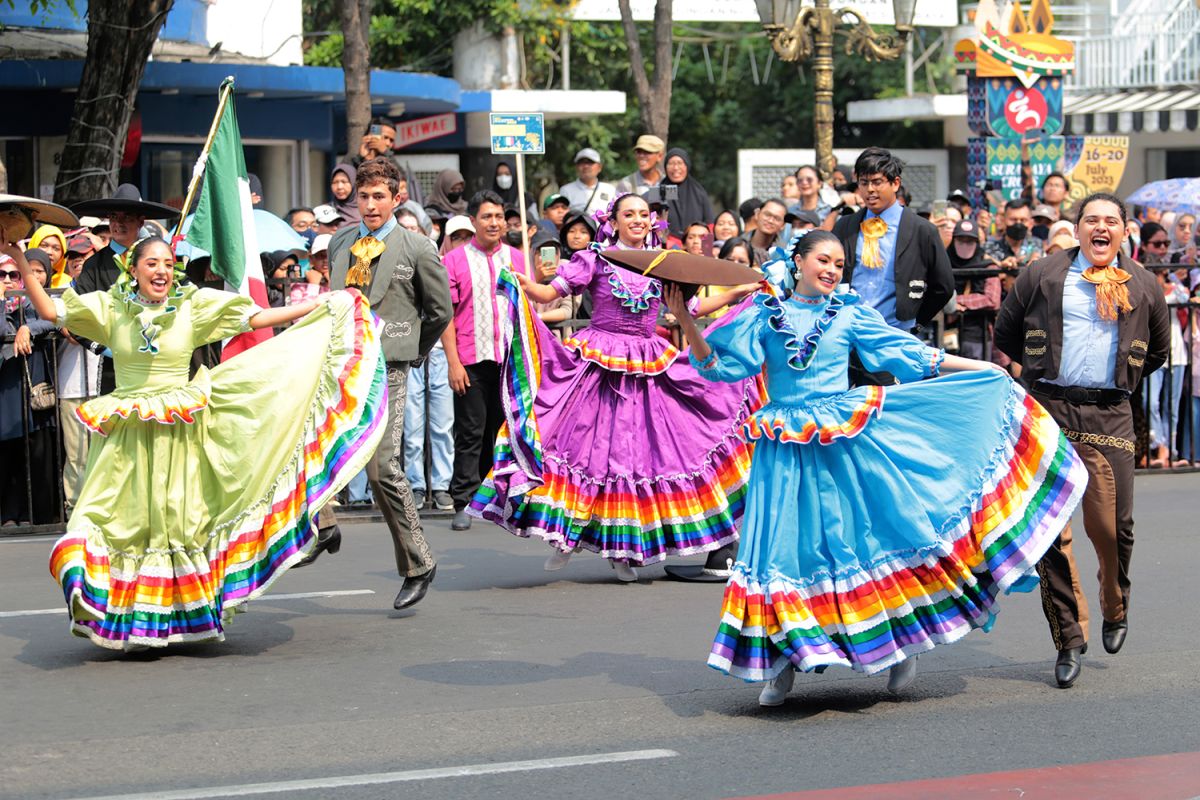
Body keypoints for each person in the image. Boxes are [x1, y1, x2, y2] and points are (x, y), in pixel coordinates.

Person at [668, 229, 1087, 705]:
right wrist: (684, 316)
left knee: (865, 539)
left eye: (839, 264)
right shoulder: (764, 314)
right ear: (798, 262)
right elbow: (719, 368)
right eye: (822, 260)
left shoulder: (847, 314)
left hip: (841, 438)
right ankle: (781, 666)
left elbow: (905, 354)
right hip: (782, 446)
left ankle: (898, 645)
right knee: (783, 553)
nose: (831, 270)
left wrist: (976, 368)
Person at [7, 235, 386, 649]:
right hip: (128, 435)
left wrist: (318, 305)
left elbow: (255, 318)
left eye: (168, 263)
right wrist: (20, 262)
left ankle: (159, 621)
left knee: (174, 525)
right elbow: (50, 309)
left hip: (179, 433)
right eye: (152, 263)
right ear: (133, 270)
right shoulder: (110, 307)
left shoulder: (190, 306)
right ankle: (114, 608)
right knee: (106, 519)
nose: (161, 271)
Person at [470, 192, 761, 581]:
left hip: (648, 366)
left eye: (644, 214)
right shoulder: (595, 258)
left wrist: (737, 293)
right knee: (581, 453)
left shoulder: (662, 263)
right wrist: (523, 283)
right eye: (630, 214)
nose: (639, 220)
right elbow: (550, 293)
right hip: (597, 365)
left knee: (641, 458)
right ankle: (564, 536)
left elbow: (686, 311)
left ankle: (623, 550)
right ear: (615, 220)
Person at [994, 192, 1172, 688]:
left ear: (1124, 231)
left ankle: (1115, 602)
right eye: (1091, 219)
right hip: (1048, 407)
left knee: (1113, 527)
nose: (1101, 228)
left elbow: (1156, 349)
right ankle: (1069, 637)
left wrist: (1117, 378)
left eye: (1110, 221)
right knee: (1049, 533)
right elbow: (1007, 333)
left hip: (1110, 413)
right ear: (1077, 228)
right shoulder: (1043, 274)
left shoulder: (1144, 284)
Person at [324, 158, 452, 610]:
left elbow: (439, 312)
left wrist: (413, 350)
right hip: (339, 363)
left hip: (389, 366)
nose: (371, 204)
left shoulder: (418, 247)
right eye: (364, 196)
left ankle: (418, 563)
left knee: (381, 468)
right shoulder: (340, 241)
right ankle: (321, 525)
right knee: (307, 442)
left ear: (397, 198)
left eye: (380, 196)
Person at [441, 191, 531, 532]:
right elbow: (446, 315)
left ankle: (496, 497)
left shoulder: (518, 259)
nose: (494, 223)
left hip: (509, 359)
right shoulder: (455, 260)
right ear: (473, 221)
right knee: (470, 431)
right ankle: (462, 500)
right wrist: (453, 362)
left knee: (502, 431)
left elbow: (528, 307)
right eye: (487, 217)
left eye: (498, 217)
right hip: (470, 358)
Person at [71, 184, 181, 395]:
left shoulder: (160, 261)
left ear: (140, 222)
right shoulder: (94, 265)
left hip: (158, 364)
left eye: (127, 217)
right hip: (115, 369)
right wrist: (108, 349)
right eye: (113, 217)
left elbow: (178, 302)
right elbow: (77, 315)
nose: (118, 223)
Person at [832, 147, 955, 333]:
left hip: (897, 331)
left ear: (895, 183)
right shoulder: (845, 226)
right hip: (849, 329)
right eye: (864, 183)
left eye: (877, 182)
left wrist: (916, 323)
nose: (870, 190)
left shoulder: (922, 229)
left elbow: (943, 286)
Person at [0, 253, 60, 526]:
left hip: (33, 382)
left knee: (36, 451)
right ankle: (10, 514)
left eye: (15, 275)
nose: (11, 281)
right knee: (7, 452)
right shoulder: (3, 301)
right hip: (6, 385)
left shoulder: (33, 301)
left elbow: (52, 318)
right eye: (3, 275)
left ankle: (37, 515)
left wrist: (27, 327)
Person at [1145, 268, 1189, 468]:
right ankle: (1159, 444)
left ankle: (1170, 451)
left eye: (1158, 275)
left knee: (1171, 406)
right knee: (1150, 402)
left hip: (1177, 353)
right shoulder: (1147, 294)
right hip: (1155, 355)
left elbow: (1184, 296)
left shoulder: (1175, 291)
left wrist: (1172, 279)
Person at [947, 219, 1002, 360]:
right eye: (960, 240)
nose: (965, 245)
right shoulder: (943, 264)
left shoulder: (988, 267)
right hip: (946, 333)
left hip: (977, 336)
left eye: (970, 241)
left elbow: (992, 299)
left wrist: (955, 301)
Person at [661, 148, 712, 240]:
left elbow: (709, 223)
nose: (676, 168)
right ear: (665, 167)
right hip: (666, 248)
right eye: (671, 163)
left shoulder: (698, 192)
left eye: (680, 163)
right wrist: (669, 240)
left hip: (696, 247)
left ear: (687, 166)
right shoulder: (660, 191)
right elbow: (656, 220)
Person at [986, 198, 1045, 269]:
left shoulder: (1037, 245)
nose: (1018, 224)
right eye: (1013, 220)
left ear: (1030, 223)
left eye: (1023, 220)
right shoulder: (990, 247)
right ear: (1004, 220)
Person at [748, 198, 787, 265]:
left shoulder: (785, 254)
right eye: (767, 215)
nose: (770, 221)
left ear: (783, 225)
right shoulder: (738, 244)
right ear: (757, 214)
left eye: (777, 218)